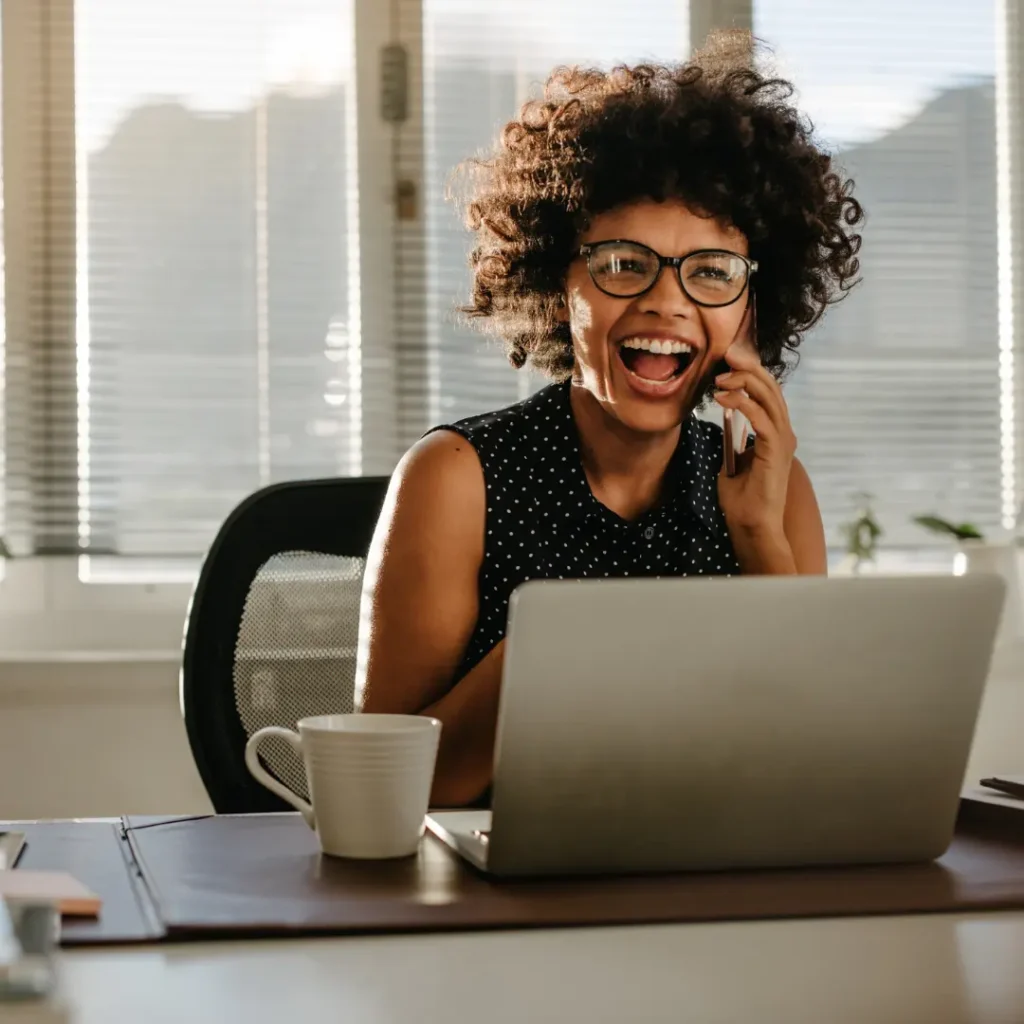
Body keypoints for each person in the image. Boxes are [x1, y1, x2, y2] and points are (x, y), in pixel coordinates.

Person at [356, 32, 863, 807]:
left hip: (703, 869)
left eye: (711, 272)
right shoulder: (457, 479)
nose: (666, 302)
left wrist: (759, 535)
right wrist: (565, 643)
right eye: (623, 264)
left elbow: (810, 778)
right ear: (559, 284)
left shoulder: (777, 494)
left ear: (751, 311)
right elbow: (383, 790)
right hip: (498, 878)